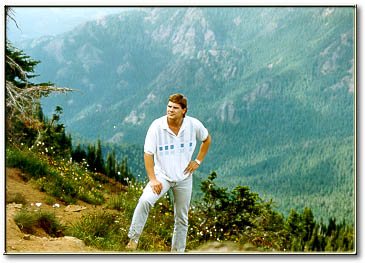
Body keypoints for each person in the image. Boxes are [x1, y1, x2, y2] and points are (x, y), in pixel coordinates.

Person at [126, 93, 211, 252]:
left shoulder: (193, 125)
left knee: (181, 218)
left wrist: (197, 161)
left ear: (184, 110)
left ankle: (177, 253)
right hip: (162, 177)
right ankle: (133, 240)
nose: (171, 110)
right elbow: (148, 154)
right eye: (169, 106)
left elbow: (206, 139)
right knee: (145, 200)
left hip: (184, 178)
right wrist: (152, 179)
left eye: (175, 108)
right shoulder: (157, 126)